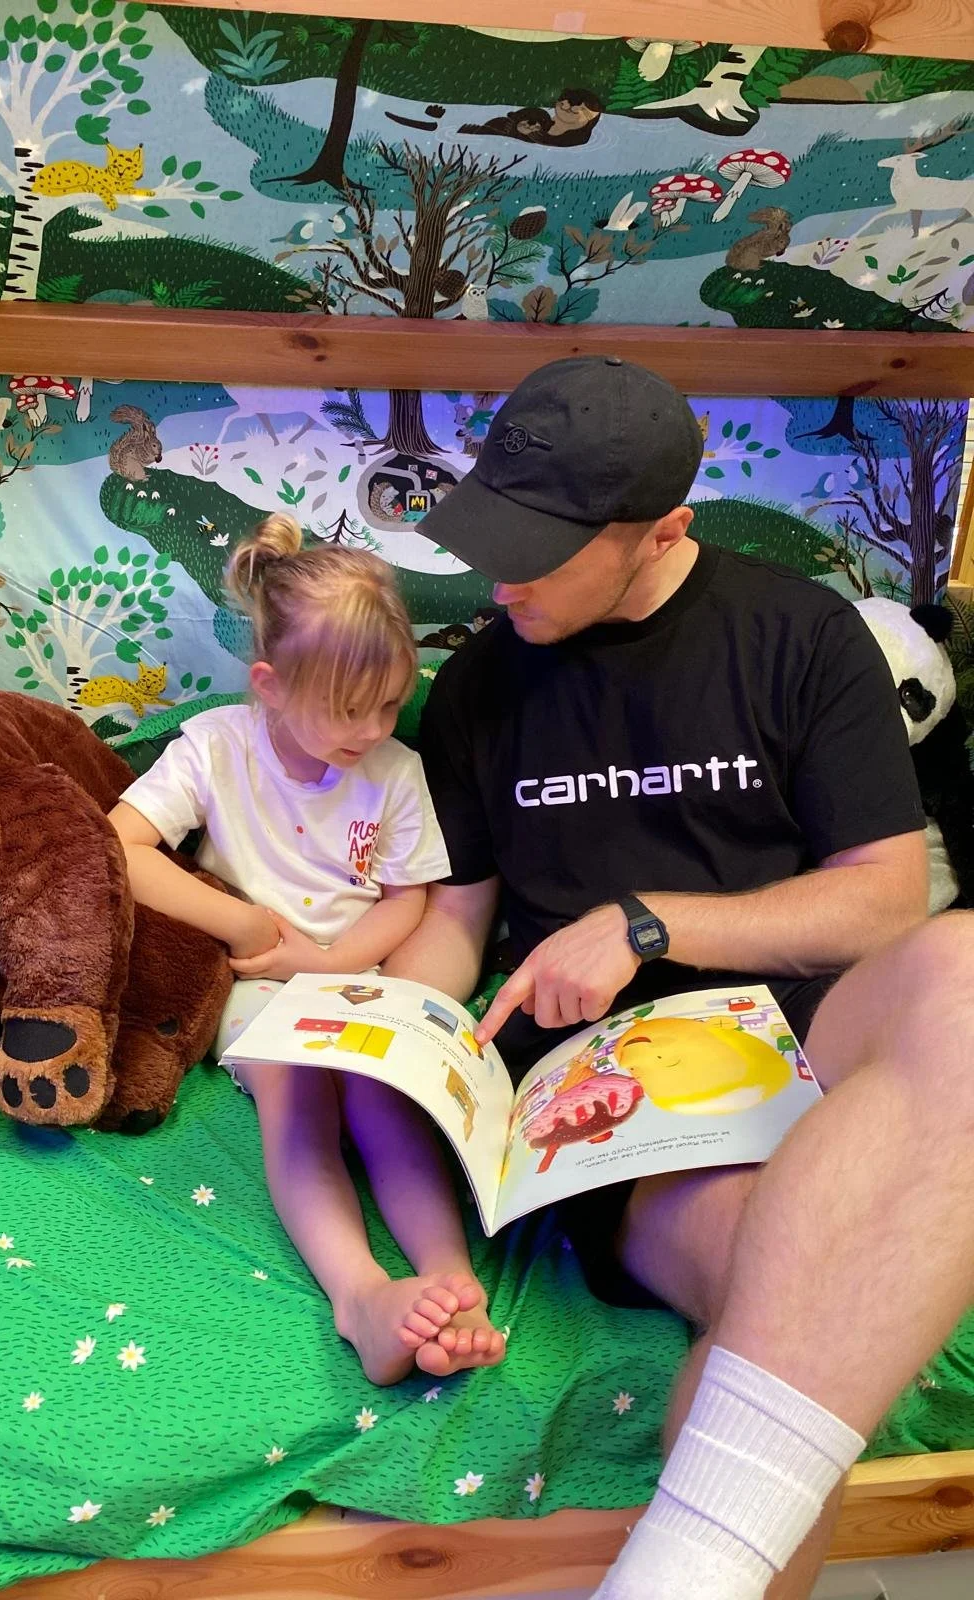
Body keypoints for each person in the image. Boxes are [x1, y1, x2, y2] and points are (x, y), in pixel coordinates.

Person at [384, 354, 974, 1599]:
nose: (500, 581)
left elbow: (884, 899)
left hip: (803, 1020)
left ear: (663, 530)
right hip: (614, 1082)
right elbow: (458, 919)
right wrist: (397, 1033)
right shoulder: (481, 684)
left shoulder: (801, 632)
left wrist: (645, 925)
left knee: (966, 961)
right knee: (782, 1275)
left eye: (539, 553)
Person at [108, 513, 505, 1385]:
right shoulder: (216, 747)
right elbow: (119, 847)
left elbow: (406, 902)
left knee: (383, 1094)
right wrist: (248, 929)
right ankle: (359, 1297)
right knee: (299, 1093)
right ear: (271, 685)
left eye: (390, 704)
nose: (373, 728)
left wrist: (326, 965)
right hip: (256, 984)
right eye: (348, 710)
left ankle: (451, 1284)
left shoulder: (394, 771)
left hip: (354, 975)